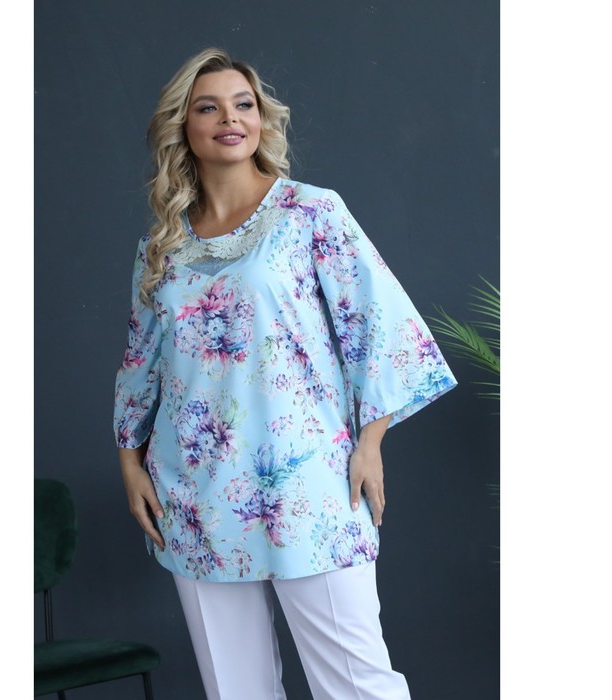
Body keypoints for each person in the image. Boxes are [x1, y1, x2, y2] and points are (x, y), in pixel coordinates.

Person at [113, 47, 457, 700]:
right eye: (208, 107)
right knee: (234, 689)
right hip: (195, 490)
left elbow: (378, 325)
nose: (229, 119)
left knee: (357, 684)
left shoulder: (311, 213)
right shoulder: (162, 248)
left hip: (309, 481)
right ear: (182, 125)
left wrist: (371, 443)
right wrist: (129, 462)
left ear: (261, 118)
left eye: (242, 104)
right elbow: (141, 362)